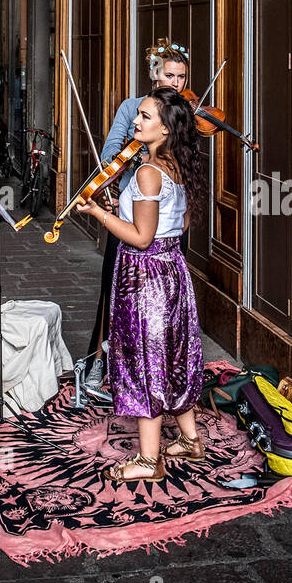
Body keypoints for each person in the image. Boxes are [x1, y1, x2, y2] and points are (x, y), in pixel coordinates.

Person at [77, 86, 206, 482]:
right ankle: (190, 441)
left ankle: (149, 460)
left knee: (145, 361)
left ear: (165, 128)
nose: (135, 120)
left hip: (146, 275)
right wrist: (128, 210)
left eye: (146, 116)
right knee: (171, 355)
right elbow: (176, 224)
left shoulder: (148, 172)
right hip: (173, 270)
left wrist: (98, 212)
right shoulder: (175, 165)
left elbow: (140, 238)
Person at [85, 42, 191, 393]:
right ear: (154, 74)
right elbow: (110, 153)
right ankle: (101, 363)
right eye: (169, 75)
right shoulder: (134, 109)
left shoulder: (185, 112)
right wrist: (139, 153)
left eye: (181, 77)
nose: (175, 83)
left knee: (161, 309)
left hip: (166, 226)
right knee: (113, 292)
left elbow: (187, 168)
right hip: (131, 212)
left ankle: (157, 375)